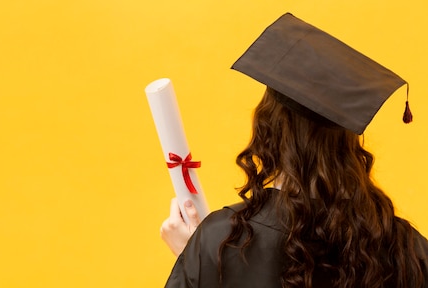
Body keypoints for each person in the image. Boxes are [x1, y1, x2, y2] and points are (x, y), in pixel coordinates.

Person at [161, 13, 428, 288]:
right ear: (347, 144)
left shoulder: (220, 241)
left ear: (269, 129)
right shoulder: (406, 251)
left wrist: (197, 260)